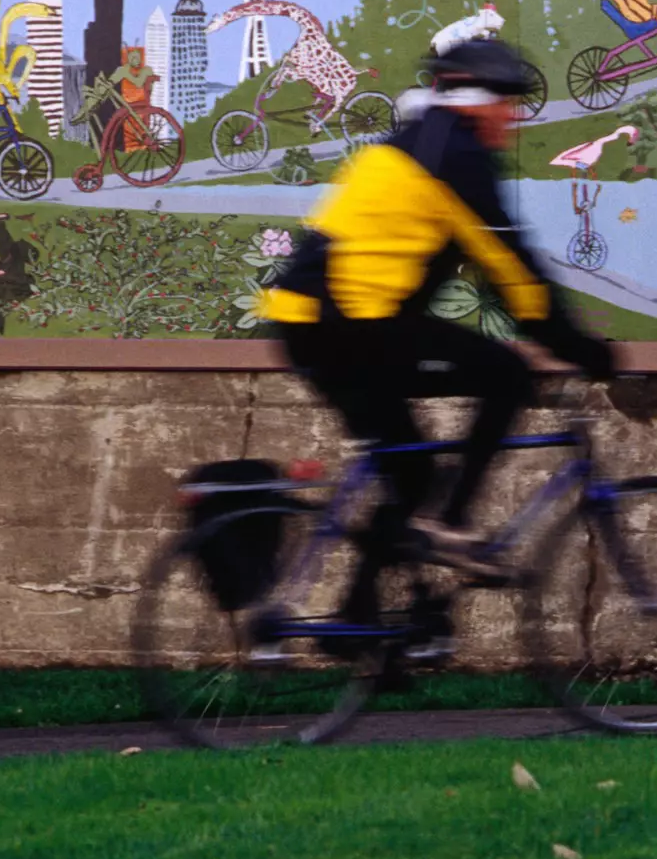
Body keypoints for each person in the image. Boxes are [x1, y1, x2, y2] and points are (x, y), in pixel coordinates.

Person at [253, 38, 615, 655]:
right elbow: (513, 268)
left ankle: (358, 621)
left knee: (413, 475)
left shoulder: (418, 142)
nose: (514, 115)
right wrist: (583, 348)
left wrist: (544, 336)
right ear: (476, 100)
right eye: (507, 101)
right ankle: (449, 527)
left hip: (320, 326)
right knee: (502, 375)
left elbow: (477, 263)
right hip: (347, 328)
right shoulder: (456, 154)